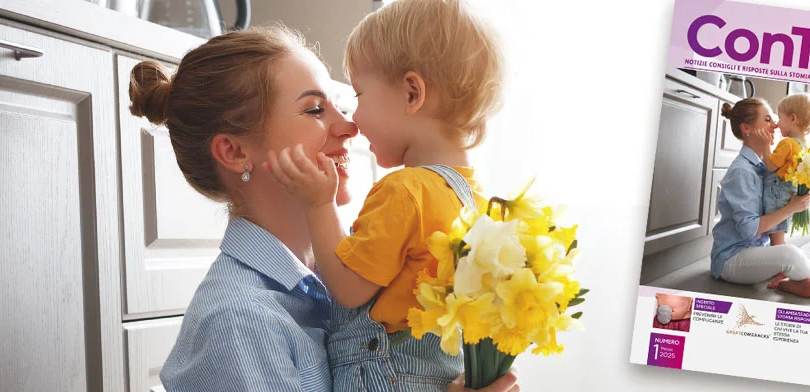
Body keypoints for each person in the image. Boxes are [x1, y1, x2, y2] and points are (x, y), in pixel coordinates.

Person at [126, 25, 517, 392]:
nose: (350, 128)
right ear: (234, 151)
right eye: (315, 110)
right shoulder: (239, 321)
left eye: (343, 106)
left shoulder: (357, 270)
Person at [264, 0, 508, 390]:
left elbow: (347, 290)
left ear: (412, 93)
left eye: (359, 96)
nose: (352, 121)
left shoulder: (405, 191)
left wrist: (319, 203)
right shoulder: (476, 201)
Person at [710, 98, 810, 299]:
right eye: (767, 120)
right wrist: (790, 208)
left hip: (760, 247)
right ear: (746, 128)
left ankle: (792, 278)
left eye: (775, 119)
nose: (775, 125)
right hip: (733, 258)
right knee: (789, 254)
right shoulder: (742, 171)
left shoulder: (762, 166)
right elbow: (749, 230)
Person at [762, 93, 810, 245]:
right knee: (779, 236)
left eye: (779, 117)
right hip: (788, 194)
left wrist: (765, 145)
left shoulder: (788, 143)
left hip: (777, 195)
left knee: (777, 240)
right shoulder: (804, 146)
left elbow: (770, 165)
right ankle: (782, 264)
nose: (777, 124)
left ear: (793, 119)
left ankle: (781, 268)